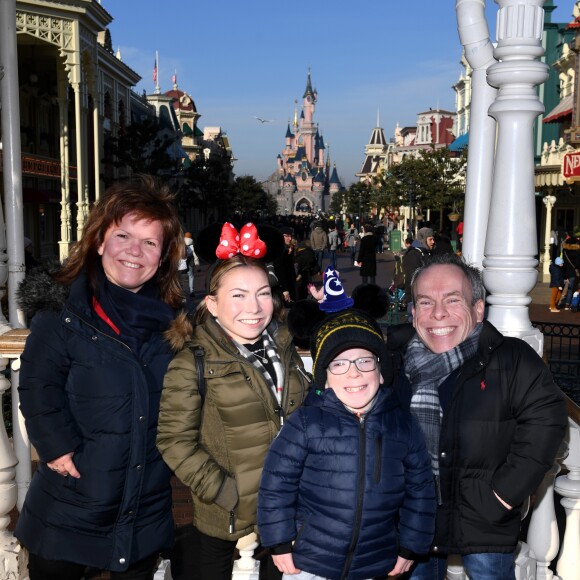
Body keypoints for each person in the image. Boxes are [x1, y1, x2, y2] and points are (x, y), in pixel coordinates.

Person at [15, 175, 184, 580]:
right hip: (72, 501)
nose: (134, 251)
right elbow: (39, 387)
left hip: (142, 507)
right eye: (123, 235)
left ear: (162, 257)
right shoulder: (63, 313)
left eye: (149, 242)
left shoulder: (175, 327)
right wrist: (56, 448)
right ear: (100, 240)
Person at [391, 253, 567, 580]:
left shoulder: (511, 359)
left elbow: (548, 419)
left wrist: (503, 494)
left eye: (452, 300)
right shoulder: (394, 364)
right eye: (426, 302)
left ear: (478, 308)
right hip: (412, 521)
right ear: (413, 312)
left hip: (484, 521)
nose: (438, 313)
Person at [156, 222, 311, 580]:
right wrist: (228, 492)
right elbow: (174, 441)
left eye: (262, 293)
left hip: (287, 511)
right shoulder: (191, 361)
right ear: (211, 303)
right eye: (238, 295)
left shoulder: (286, 350)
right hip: (226, 514)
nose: (254, 307)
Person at [258, 310, 436, 580]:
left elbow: (421, 492)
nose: (354, 373)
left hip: (374, 562)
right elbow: (276, 484)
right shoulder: (306, 423)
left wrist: (411, 546)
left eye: (365, 361)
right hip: (309, 561)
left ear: (381, 372)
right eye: (339, 364)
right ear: (324, 377)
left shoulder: (403, 427)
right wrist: (279, 541)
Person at [402, 227, 434, 318]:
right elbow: (411, 278)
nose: (433, 242)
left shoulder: (426, 253)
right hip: (415, 299)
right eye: (430, 239)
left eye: (433, 239)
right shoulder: (414, 254)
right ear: (423, 240)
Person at [273, 226, 297, 304]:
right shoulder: (278, 250)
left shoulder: (287, 249)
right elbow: (279, 270)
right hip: (283, 287)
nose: (289, 238)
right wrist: (285, 289)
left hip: (290, 283)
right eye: (287, 236)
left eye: (290, 236)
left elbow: (290, 267)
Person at [559, 233, 580, 309]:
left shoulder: (565, 251)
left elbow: (563, 262)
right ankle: (570, 304)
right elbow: (578, 264)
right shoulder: (577, 252)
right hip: (574, 272)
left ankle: (564, 304)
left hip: (565, 272)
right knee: (573, 288)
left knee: (567, 288)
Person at [184, 232, 200, 297]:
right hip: (190, 263)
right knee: (191, 276)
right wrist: (197, 264)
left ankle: (182, 292)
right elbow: (195, 256)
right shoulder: (192, 245)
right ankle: (191, 290)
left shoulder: (182, 245)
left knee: (181, 278)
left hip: (183, 264)